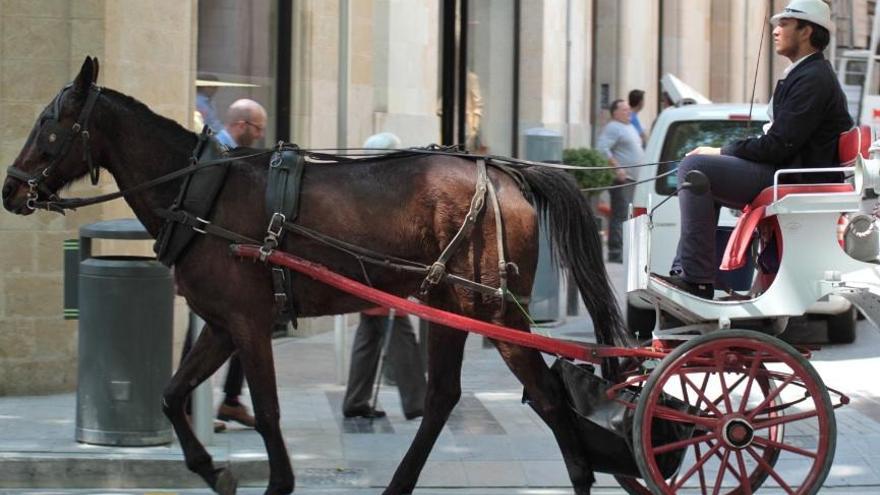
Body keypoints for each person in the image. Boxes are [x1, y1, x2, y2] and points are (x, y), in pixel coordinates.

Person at [660, 0, 852, 299]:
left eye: (784, 24)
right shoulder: (806, 74)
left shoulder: (813, 78)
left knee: (695, 168)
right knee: (698, 172)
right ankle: (688, 273)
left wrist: (721, 150)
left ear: (806, 31)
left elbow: (777, 145)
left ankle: (695, 279)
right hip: (789, 172)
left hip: (792, 177)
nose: (776, 30)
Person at [342, 132, 427, 420]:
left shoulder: (364, 184)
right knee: (399, 334)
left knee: (370, 332)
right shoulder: (381, 187)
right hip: (381, 272)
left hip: (369, 272)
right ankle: (418, 402)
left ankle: (356, 401)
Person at [597, 99, 644, 263]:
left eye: (628, 109)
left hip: (634, 179)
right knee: (620, 214)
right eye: (624, 110)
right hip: (622, 179)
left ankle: (624, 250)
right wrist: (617, 168)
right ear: (615, 112)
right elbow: (602, 148)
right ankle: (615, 252)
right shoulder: (613, 127)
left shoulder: (629, 126)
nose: (628, 112)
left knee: (628, 214)